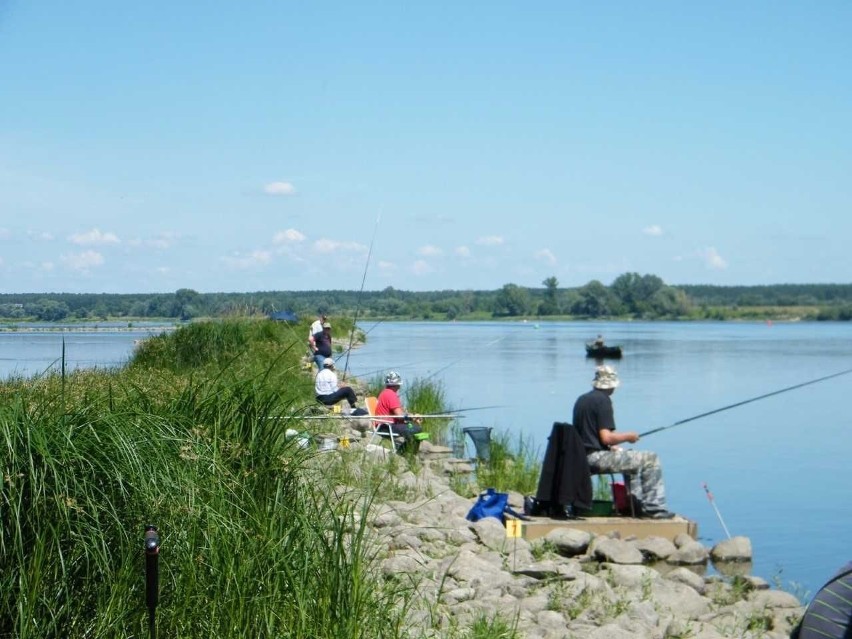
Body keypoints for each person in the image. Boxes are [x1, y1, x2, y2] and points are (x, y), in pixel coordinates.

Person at [572, 364, 674, 519]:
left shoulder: (582, 400)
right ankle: (654, 508)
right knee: (651, 459)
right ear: (611, 385)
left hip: (581, 457)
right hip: (594, 459)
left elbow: (589, 436)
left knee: (630, 458)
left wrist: (613, 448)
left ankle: (635, 505)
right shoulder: (603, 401)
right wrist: (629, 437)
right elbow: (606, 437)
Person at [374, 371, 424, 453]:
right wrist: (412, 417)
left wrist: (412, 416)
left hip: (382, 425)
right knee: (416, 429)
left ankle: (406, 452)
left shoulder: (384, 392)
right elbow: (400, 415)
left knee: (412, 427)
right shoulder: (391, 395)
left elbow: (399, 414)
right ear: (397, 385)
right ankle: (403, 453)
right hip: (386, 427)